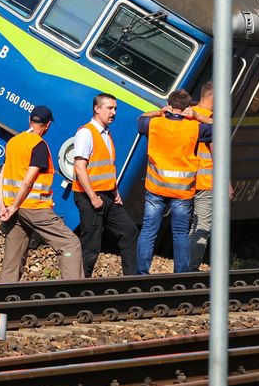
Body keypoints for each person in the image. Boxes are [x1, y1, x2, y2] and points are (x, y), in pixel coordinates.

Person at [0, 106, 84, 282]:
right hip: (34, 208)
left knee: (11, 262)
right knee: (70, 244)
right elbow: (28, 181)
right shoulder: (39, 145)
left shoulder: (14, 142)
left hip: (14, 209)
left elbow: (0, 178)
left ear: (30, 119)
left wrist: (4, 206)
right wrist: (13, 207)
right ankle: (75, 296)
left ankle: (0, 308)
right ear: (48, 125)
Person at [136, 89, 211, 274]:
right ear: (188, 107)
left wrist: (159, 112)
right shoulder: (195, 127)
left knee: (148, 231)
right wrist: (197, 116)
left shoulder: (154, 124)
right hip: (182, 191)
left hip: (155, 187)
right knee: (180, 234)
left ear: (169, 104)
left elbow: (140, 118)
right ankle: (181, 274)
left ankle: (141, 273)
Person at [72, 93, 138, 276]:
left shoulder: (106, 134)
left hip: (108, 195)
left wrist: (115, 190)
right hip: (90, 196)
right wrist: (93, 197)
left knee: (129, 231)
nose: (114, 112)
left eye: (115, 108)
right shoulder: (86, 133)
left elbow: (107, 167)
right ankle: (78, 287)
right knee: (91, 245)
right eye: (110, 108)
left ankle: (131, 282)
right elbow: (79, 167)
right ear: (97, 108)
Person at [188, 82, 215, 270]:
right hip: (205, 181)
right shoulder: (211, 120)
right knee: (201, 228)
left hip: (182, 180)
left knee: (183, 226)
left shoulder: (186, 114)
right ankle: (189, 270)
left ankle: (183, 265)